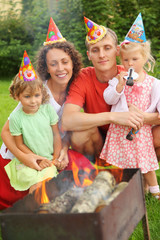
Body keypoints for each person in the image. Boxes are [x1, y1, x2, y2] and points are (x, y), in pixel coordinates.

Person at [0, 18, 89, 209]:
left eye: (65, 62)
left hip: (50, 151)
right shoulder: (37, 93)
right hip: (20, 153)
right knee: (39, 191)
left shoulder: (73, 89)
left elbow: (62, 130)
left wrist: (63, 150)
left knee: (81, 167)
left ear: (73, 62)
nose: (60, 69)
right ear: (46, 67)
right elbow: (6, 132)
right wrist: (26, 158)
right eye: (53, 64)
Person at [62, 16, 160, 160]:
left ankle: (140, 174)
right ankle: (100, 171)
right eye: (95, 50)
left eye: (107, 48)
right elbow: (67, 120)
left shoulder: (131, 74)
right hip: (100, 137)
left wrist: (140, 117)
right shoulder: (83, 77)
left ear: (117, 50)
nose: (102, 55)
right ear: (89, 55)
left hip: (131, 138)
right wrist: (114, 117)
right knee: (79, 135)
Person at [100, 13, 160, 199]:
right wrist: (118, 86)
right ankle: (120, 188)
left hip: (140, 131)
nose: (129, 63)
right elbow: (109, 99)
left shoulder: (153, 82)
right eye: (125, 60)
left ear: (144, 58)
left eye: (134, 59)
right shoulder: (120, 79)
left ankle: (155, 191)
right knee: (121, 161)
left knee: (145, 162)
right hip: (119, 129)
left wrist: (142, 116)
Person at [4, 50, 62, 194]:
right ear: (17, 96)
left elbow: (56, 135)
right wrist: (36, 159)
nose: (33, 101)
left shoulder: (47, 110)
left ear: (42, 94)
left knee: (46, 184)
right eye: (27, 96)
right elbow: (19, 144)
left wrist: (54, 158)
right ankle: (34, 213)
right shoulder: (17, 117)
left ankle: (42, 212)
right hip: (28, 161)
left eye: (37, 95)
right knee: (34, 187)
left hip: (49, 159)